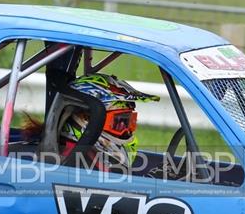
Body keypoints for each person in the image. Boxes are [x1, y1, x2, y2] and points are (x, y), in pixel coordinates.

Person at [31, 73, 159, 173]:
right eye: (119, 122)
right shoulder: (75, 163)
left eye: (129, 122)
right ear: (85, 119)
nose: (126, 130)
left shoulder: (92, 157)